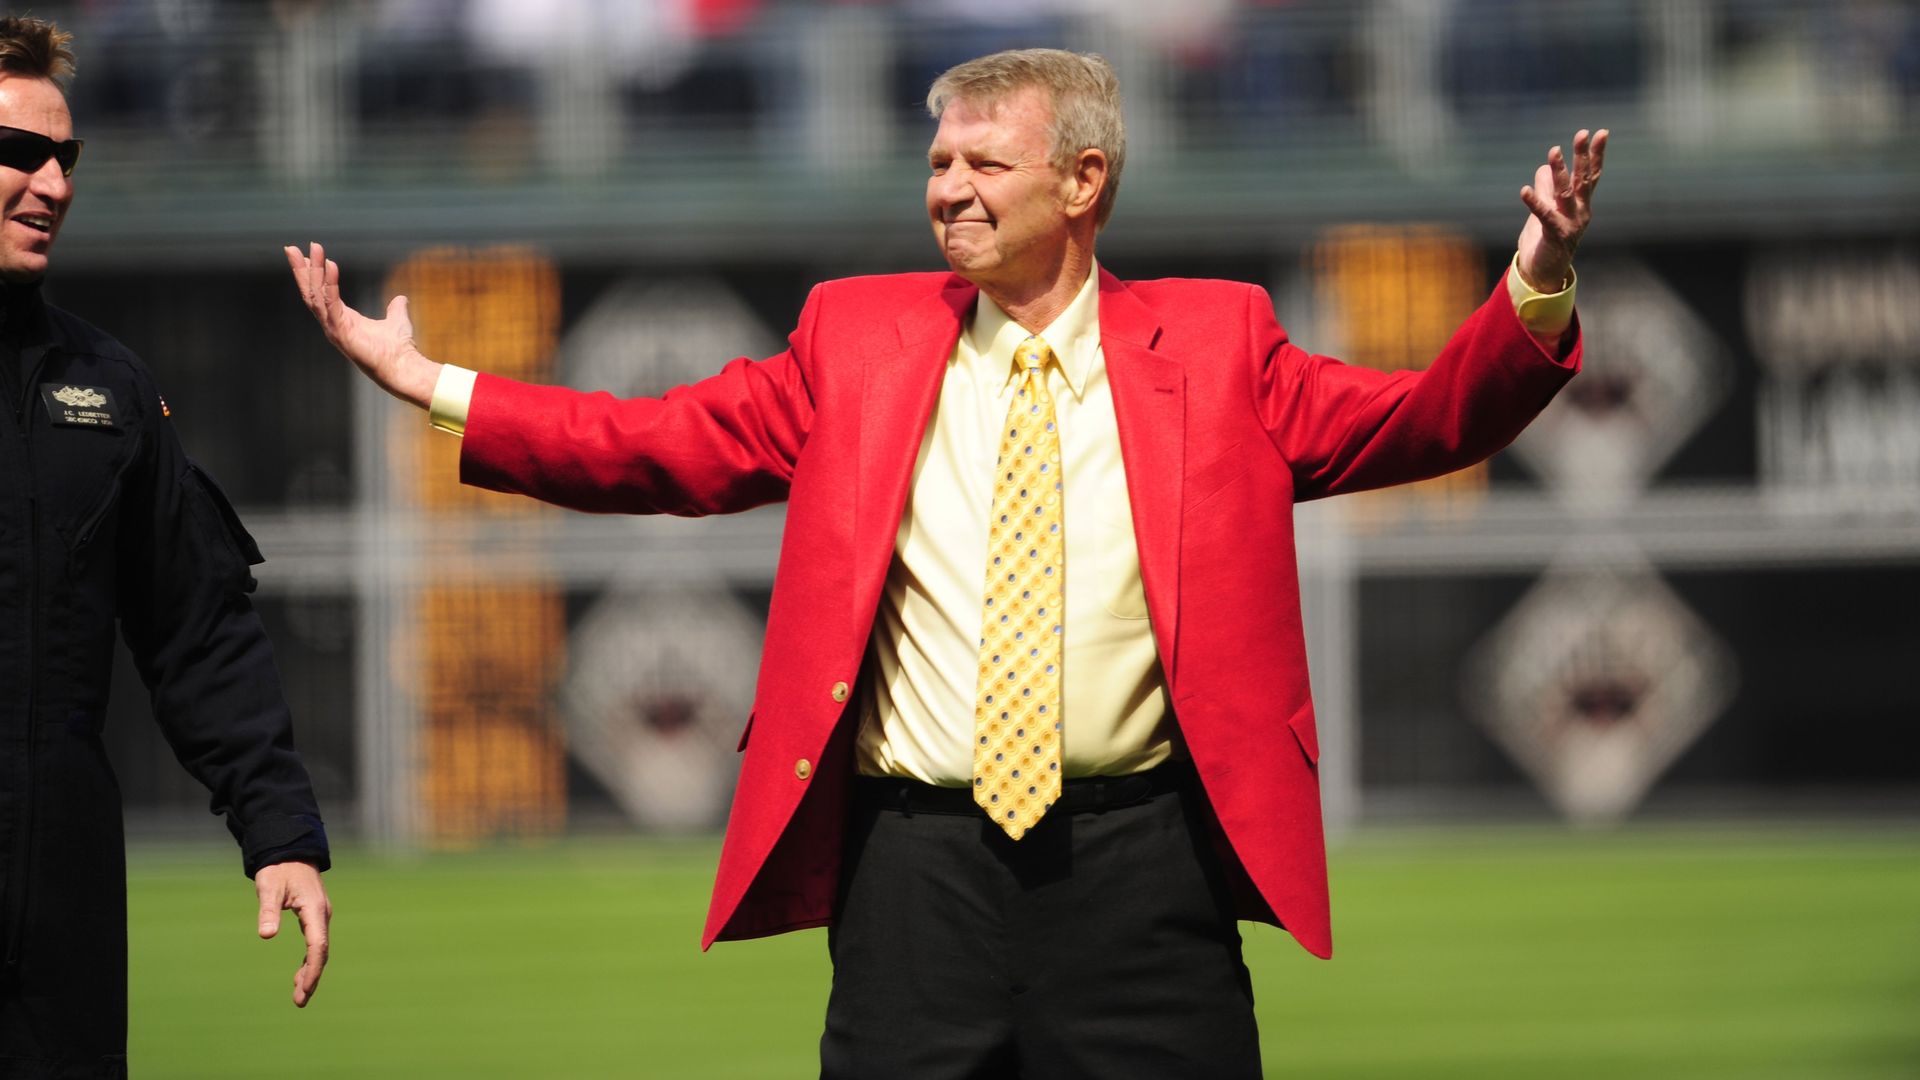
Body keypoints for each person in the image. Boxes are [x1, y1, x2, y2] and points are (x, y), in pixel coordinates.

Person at [291, 48, 1603, 1079]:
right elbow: (658, 444)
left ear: (1084, 181)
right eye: (936, 161)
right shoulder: (853, 336)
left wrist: (1534, 282)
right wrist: (437, 385)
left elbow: (1433, 416)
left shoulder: (1219, 342)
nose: (947, 187)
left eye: (984, 161)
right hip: (914, 877)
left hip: (1143, 872)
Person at [0, 16, 333, 1076]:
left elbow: (198, 625)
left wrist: (279, 830)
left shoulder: (110, 390)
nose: (52, 185)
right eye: (18, 154)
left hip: (61, 901)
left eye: (67, 158)